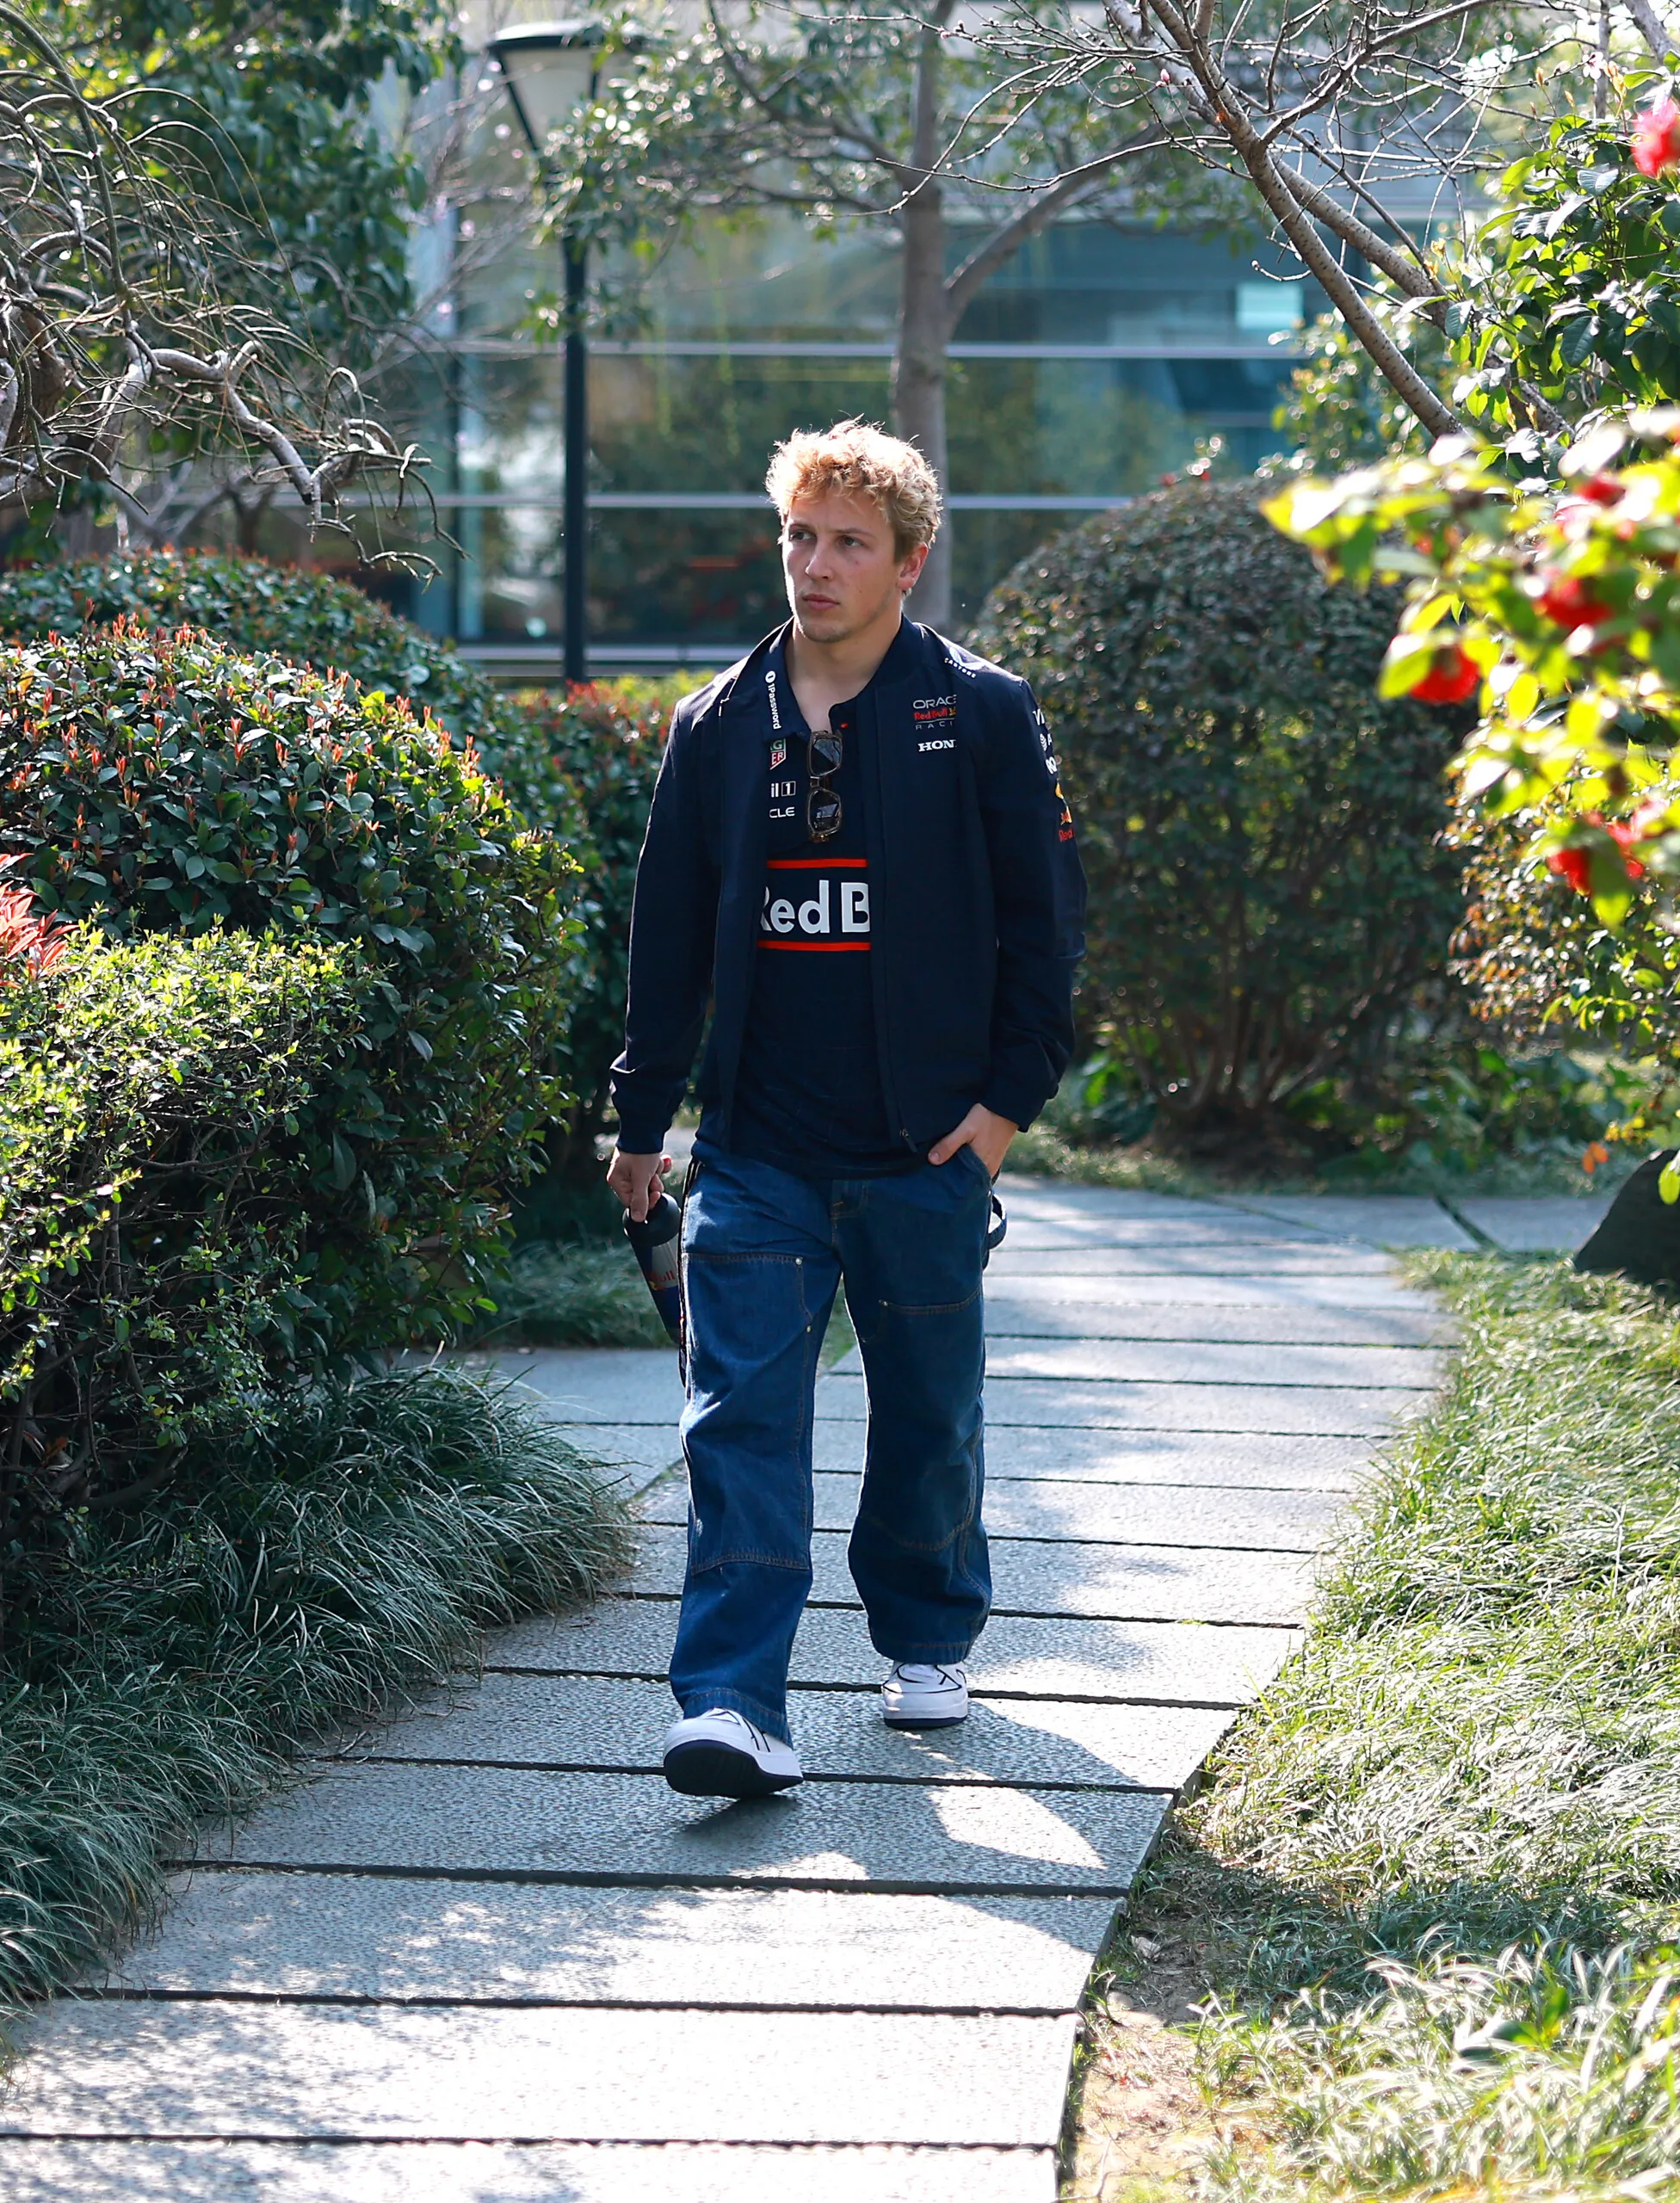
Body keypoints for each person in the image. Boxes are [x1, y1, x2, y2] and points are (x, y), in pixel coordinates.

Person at [605, 420, 1084, 1799]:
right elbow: (669, 938)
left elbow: (1041, 933)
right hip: (759, 1149)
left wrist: (999, 1113)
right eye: (799, 538)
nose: (813, 566)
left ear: (909, 562)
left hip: (924, 1147)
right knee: (738, 1420)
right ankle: (733, 1702)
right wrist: (645, 1124)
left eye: (847, 543)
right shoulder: (715, 725)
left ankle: (929, 1632)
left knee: (930, 1416)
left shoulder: (981, 715)